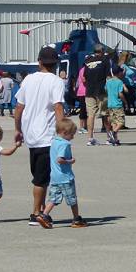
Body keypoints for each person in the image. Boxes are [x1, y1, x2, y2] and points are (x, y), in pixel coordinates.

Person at [14, 46, 66, 226]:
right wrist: (62, 131)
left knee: (38, 175)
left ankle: (41, 209)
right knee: (42, 178)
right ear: (56, 63)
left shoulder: (28, 80)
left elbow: (19, 107)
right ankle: (36, 213)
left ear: (40, 62)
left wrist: (17, 129)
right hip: (47, 135)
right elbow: (58, 106)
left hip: (31, 135)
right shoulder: (57, 82)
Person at [35, 118, 87, 229]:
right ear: (65, 133)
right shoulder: (65, 144)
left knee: (53, 198)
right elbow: (60, 159)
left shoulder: (54, 141)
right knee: (72, 198)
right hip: (65, 177)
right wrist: (70, 161)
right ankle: (76, 218)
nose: (73, 137)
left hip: (54, 176)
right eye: (72, 134)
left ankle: (44, 215)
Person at [83, 45, 111, 146]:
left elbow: (84, 78)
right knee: (105, 114)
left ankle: (90, 138)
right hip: (101, 91)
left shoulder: (87, 61)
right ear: (102, 51)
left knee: (90, 115)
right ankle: (109, 137)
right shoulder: (105, 60)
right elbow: (108, 76)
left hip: (89, 91)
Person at [105, 66, 127, 146]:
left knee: (114, 122)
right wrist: (125, 102)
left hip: (110, 104)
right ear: (119, 73)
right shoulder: (119, 82)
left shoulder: (108, 82)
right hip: (117, 104)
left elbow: (106, 90)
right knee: (121, 122)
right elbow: (120, 94)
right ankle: (113, 133)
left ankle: (115, 139)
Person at [74, 66, 88, 134]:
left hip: (87, 92)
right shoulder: (83, 69)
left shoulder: (86, 69)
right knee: (83, 109)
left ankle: (85, 126)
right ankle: (81, 127)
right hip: (82, 92)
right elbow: (84, 80)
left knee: (86, 110)